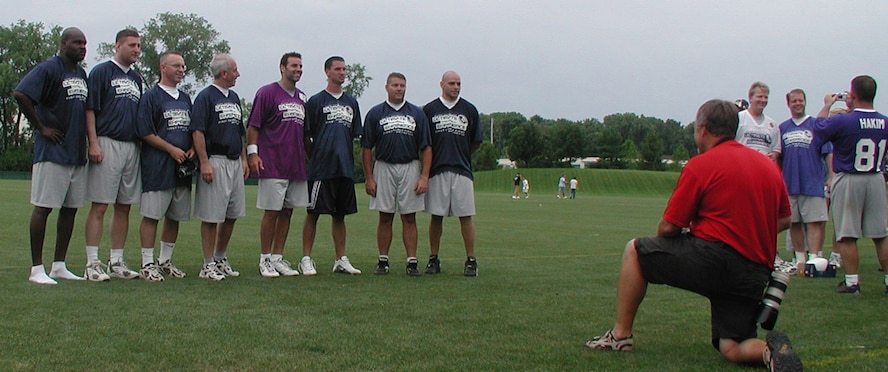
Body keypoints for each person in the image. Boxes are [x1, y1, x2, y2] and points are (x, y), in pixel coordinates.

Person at [585, 99, 801, 371]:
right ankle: (770, 353)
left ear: (703, 130)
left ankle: (620, 336)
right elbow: (784, 219)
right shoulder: (769, 167)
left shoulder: (701, 164)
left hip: (711, 260)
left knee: (635, 251)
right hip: (753, 271)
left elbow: (667, 228)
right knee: (732, 347)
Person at [13, 27, 89, 284]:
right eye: (77, 43)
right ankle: (37, 269)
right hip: (53, 152)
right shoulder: (49, 68)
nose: (82, 47)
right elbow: (21, 93)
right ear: (64, 43)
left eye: (85, 43)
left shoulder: (82, 74)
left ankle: (59, 265)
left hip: (76, 153)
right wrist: (41, 127)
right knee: (44, 208)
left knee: (70, 210)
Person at [812, 75, 888, 295]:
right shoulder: (884, 121)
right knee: (881, 235)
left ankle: (852, 282)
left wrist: (827, 105)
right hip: (875, 177)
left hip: (849, 177)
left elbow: (818, 129)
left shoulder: (843, 120)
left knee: (846, 234)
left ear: (852, 95)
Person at [82, 29, 144, 281]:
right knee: (100, 205)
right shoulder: (101, 72)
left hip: (132, 146)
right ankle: (91, 262)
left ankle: (116, 260)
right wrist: (93, 143)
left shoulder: (137, 79)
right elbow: (90, 109)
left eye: (139, 45)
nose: (136, 49)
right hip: (107, 143)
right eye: (131, 45)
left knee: (124, 206)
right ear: (117, 45)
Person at [362, 72, 431, 276]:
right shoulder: (376, 113)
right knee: (385, 216)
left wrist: (424, 176)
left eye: (402, 85)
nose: (399, 89)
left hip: (410, 165)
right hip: (383, 166)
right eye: (395, 85)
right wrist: (369, 177)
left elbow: (426, 147)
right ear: (387, 87)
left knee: (409, 216)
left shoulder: (417, 113)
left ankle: (412, 260)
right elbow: (366, 148)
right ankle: (383, 260)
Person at [246, 52, 308, 278]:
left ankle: (278, 257)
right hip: (272, 162)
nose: (298, 69)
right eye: (294, 65)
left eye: (300, 66)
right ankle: (264, 259)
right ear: (282, 67)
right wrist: (253, 154)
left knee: (287, 212)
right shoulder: (267, 92)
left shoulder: (302, 97)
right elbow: (253, 126)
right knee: (271, 212)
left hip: (295, 164)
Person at [133, 51, 193, 282]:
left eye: (183, 66)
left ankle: (165, 260)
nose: (181, 70)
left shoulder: (186, 98)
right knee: (152, 215)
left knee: (175, 216)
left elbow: (193, 129)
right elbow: (145, 131)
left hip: (182, 168)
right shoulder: (151, 97)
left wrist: (193, 151)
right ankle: (147, 263)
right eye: (176, 65)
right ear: (163, 67)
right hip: (158, 165)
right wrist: (170, 149)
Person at [301, 56, 363, 276]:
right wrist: (315, 157)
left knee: (340, 215)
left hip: (344, 167)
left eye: (345, 69)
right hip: (321, 168)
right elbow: (306, 135)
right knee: (314, 212)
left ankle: (340, 259)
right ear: (327, 71)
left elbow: (355, 134)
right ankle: (306, 258)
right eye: (338, 69)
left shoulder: (351, 102)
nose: (342, 73)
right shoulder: (316, 101)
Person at [191, 54, 247, 281]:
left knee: (232, 214)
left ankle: (220, 257)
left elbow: (239, 131)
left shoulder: (233, 97)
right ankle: (207, 264)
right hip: (216, 160)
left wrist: (243, 158)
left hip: (234, 162)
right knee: (212, 216)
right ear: (224, 73)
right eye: (235, 70)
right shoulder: (205, 97)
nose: (238, 74)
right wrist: (204, 162)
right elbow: (197, 131)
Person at [422, 70, 483, 277]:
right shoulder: (429, 110)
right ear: (442, 84)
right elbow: (424, 142)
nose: (455, 87)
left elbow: (476, 141)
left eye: (458, 84)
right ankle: (433, 258)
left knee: (466, 216)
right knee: (436, 216)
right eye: (451, 83)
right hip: (437, 170)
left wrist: (462, 155)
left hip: (462, 170)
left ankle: (471, 260)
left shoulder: (469, 109)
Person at [778, 89, 830, 275]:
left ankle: (813, 258)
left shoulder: (815, 125)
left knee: (814, 222)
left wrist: (830, 177)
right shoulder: (783, 128)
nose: (798, 104)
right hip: (790, 183)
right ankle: (799, 259)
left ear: (805, 102)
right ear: (788, 104)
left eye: (800, 100)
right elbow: (779, 157)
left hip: (812, 182)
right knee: (795, 223)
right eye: (794, 101)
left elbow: (827, 152)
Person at [736, 81, 781, 161]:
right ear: (750, 98)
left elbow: (776, 149)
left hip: (762, 167)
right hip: (742, 165)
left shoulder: (772, 125)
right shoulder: (739, 118)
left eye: (765, 97)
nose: (763, 100)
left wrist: (773, 155)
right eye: (760, 97)